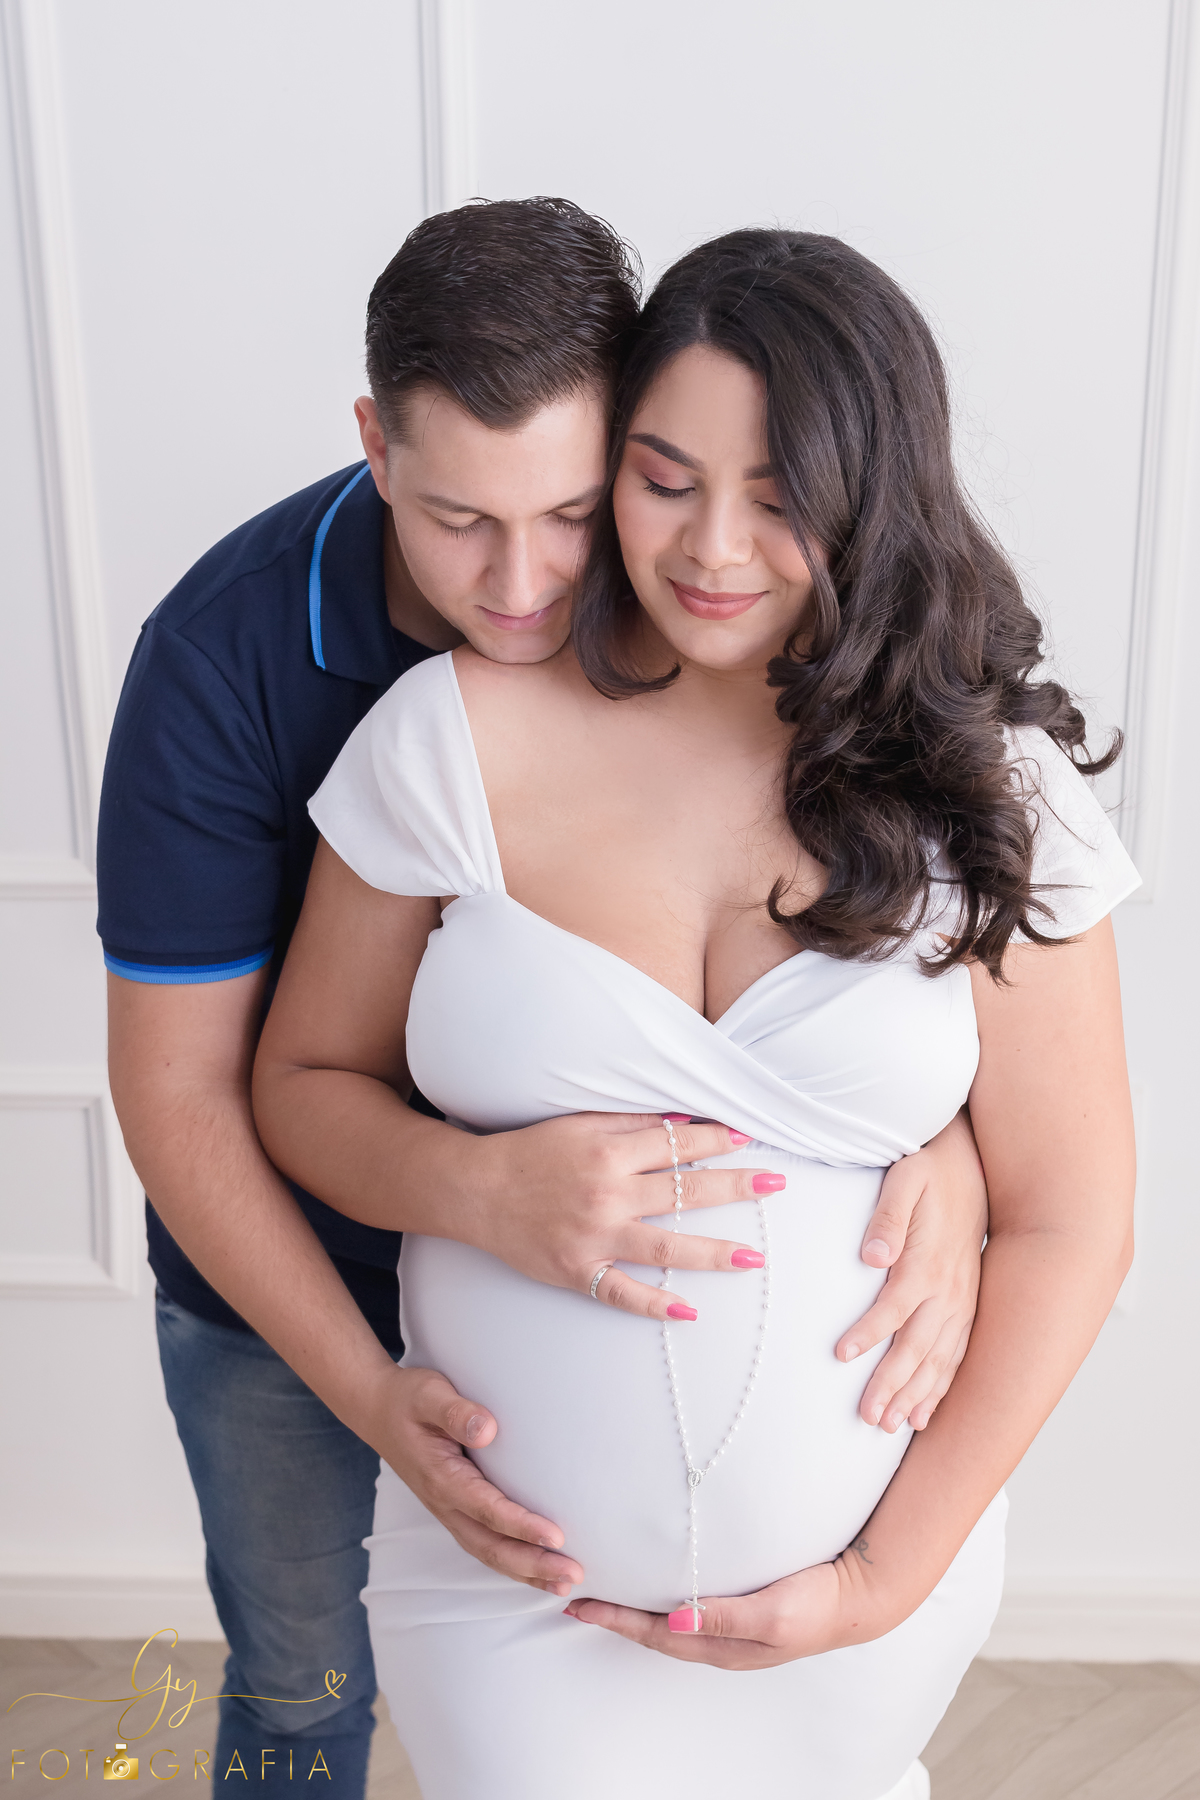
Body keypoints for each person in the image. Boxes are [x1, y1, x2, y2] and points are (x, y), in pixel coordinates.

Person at [99, 202, 987, 1798]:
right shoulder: (221, 660)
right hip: (282, 1283)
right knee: (303, 1693)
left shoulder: (714, 616)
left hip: (683, 1461)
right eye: (456, 520)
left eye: (578, 510)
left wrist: (960, 1161)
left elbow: (895, 1005)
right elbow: (186, 1096)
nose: (521, 585)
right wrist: (400, 1343)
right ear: (374, 444)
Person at [252, 226, 1138, 1800]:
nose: (713, 546)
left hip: (865, 1589)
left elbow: (1077, 1221)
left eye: (782, 496)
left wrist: (883, 1581)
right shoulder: (453, 735)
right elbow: (303, 1082)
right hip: (514, 1577)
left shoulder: (997, 789)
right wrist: (472, 1185)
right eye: (664, 479)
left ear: (876, 494)